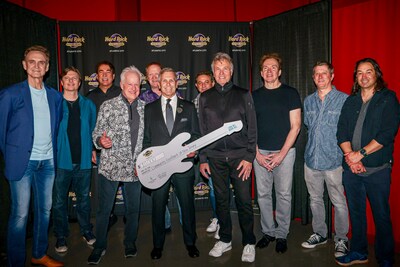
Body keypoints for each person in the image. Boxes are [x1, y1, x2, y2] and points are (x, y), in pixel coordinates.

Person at [0, 45, 64, 267]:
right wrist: (13, 157)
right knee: (20, 215)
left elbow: (55, 130)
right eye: (32, 62)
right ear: (24, 65)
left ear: (47, 68)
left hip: (47, 163)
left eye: (41, 63)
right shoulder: (10, 94)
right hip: (22, 164)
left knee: (45, 211)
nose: (37, 66)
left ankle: (39, 253)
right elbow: (1, 131)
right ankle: (16, 262)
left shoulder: (55, 97)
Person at [336, 58, 399, 267]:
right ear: (356, 77)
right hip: (351, 169)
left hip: (378, 170)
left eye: (368, 72)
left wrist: (360, 154)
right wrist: (351, 159)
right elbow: (341, 132)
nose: (364, 76)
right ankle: (358, 252)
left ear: (376, 74)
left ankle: (386, 258)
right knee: (356, 214)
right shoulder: (351, 101)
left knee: (381, 215)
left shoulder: (388, 98)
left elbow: (387, 134)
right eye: (360, 73)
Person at [199, 52, 257, 263]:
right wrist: (203, 158)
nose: (221, 73)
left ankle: (249, 242)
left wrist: (249, 157)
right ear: (213, 72)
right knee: (222, 202)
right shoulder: (205, 97)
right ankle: (225, 239)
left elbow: (252, 128)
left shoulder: (243, 94)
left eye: (225, 69)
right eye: (218, 69)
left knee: (243, 201)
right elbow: (202, 130)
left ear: (231, 72)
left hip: (240, 158)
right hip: (215, 159)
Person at [87, 65, 145, 265]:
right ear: (121, 85)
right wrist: (100, 142)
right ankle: (99, 246)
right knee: (104, 210)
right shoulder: (108, 106)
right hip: (110, 168)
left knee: (133, 210)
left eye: (136, 84)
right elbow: (96, 134)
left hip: (135, 169)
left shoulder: (145, 108)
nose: (133, 88)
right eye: (129, 84)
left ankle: (130, 243)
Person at [143, 67, 200, 260]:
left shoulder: (189, 107)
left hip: (183, 165)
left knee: (187, 206)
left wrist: (195, 149)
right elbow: (146, 140)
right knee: (158, 206)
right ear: (158, 84)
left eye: (171, 81)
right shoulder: (149, 109)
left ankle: (191, 243)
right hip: (159, 168)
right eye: (164, 81)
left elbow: (196, 135)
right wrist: (147, 162)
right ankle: (157, 245)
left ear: (177, 83)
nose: (167, 84)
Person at [252, 53, 301, 254]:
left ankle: (281, 234)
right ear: (262, 73)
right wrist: (256, 154)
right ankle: (268, 232)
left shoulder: (290, 93)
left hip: (285, 153)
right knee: (263, 195)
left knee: (283, 195)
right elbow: (249, 128)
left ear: (279, 71)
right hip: (260, 152)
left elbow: (296, 126)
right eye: (265, 68)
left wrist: (281, 154)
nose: (269, 70)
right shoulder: (253, 96)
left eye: (273, 67)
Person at [301, 61, 349, 257]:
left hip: (334, 162)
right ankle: (320, 233)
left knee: (338, 202)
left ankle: (342, 239)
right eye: (316, 74)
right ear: (313, 78)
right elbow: (307, 126)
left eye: (324, 73)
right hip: (311, 160)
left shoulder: (344, 100)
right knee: (315, 200)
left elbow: (347, 130)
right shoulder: (308, 101)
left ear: (332, 75)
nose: (320, 77)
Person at [52, 67, 97, 253]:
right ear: (62, 82)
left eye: (75, 78)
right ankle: (61, 235)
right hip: (61, 161)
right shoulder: (54, 103)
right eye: (67, 78)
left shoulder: (88, 105)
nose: (71, 81)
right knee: (59, 201)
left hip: (84, 161)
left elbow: (94, 130)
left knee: (84, 200)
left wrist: (94, 149)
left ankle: (86, 230)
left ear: (80, 82)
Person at [139, 61, 180, 231]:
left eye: (158, 74)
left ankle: (187, 226)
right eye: (151, 75)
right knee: (159, 195)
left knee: (182, 194)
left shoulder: (179, 97)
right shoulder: (142, 100)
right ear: (147, 78)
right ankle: (165, 225)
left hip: (178, 155)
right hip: (156, 155)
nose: (155, 78)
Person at [86, 61, 121, 229]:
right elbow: (88, 125)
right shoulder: (90, 97)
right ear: (97, 76)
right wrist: (92, 148)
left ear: (114, 76)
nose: (105, 74)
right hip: (101, 151)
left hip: (123, 150)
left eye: (108, 71)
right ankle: (107, 217)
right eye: (101, 72)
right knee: (104, 187)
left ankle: (129, 216)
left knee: (127, 186)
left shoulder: (123, 93)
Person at [192, 71, 218, 235]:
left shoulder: (220, 101)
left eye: (206, 82)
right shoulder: (193, 104)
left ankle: (221, 220)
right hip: (204, 153)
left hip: (221, 151)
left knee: (218, 188)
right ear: (196, 85)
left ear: (212, 83)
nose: (203, 86)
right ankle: (217, 218)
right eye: (200, 83)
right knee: (213, 188)